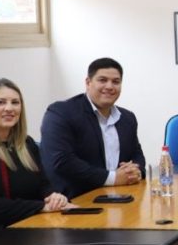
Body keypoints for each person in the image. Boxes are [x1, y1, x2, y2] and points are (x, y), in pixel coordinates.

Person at [0, 79, 75, 244]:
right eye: (0, 102)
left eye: (15, 102)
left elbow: (43, 184)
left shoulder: (26, 144)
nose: (9, 108)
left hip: (25, 226)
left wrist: (53, 197)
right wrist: (41, 207)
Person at [40, 57, 146, 197]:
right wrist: (113, 178)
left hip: (120, 195)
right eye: (102, 80)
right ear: (88, 82)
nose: (109, 86)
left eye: (116, 82)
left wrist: (136, 171)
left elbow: (136, 154)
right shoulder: (61, 113)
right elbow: (62, 161)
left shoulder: (127, 118)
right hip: (75, 199)